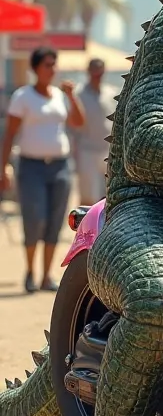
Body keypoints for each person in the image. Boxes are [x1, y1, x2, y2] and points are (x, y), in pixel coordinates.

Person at [1, 47, 85, 293]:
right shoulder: (23, 96)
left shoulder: (60, 96)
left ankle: (46, 276)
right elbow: (10, 134)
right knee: (35, 218)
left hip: (60, 166)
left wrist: (71, 96)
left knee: (55, 221)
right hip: (31, 166)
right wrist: (3, 166)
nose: (52, 69)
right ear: (36, 68)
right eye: (47, 64)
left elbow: (78, 123)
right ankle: (30, 271)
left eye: (54, 64)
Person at [72, 58, 118, 206]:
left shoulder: (111, 93)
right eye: (94, 71)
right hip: (86, 150)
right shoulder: (79, 94)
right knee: (88, 198)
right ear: (89, 72)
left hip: (107, 151)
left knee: (108, 196)